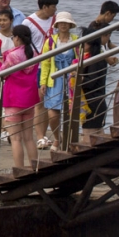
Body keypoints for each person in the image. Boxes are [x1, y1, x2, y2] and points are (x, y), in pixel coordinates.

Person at [0, 24, 39, 168]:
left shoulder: (12, 55)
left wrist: (0, 63)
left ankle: (19, 169)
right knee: (29, 138)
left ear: (16, 37)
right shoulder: (34, 53)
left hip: (13, 99)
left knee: (16, 139)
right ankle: (36, 168)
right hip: (29, 99)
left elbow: (2, 73)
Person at [39, 13, 78, 149]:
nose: (63, 25)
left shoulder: (77, 40)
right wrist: (43, 82)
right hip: (54, 81)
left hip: (71, 80)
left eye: (66, 22)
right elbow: (45, 64)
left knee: (71, 112)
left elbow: (81, 59)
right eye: (61, 22)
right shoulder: (50, 41)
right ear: (56, 25)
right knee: (53, 113)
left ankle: (71, 139)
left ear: (70, 25)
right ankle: (57, 138)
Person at [24, 0, 58, 143]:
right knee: (40, 101)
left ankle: (45, 135)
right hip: (37, 67)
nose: (55, 10)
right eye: (53, 7)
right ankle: (39, 137)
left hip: (54, 65)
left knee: (51, 101)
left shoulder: (57, 21)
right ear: (44, 7)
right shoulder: (28, 23)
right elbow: (23, 46)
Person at [81, 2, 119, 136]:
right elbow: (99, 47)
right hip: (95, 71)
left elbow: (108, 44)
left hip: (95, 89)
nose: (112, 19)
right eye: (113, 16)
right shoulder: (94, 28)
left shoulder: (106, 30)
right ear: (107, 13)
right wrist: (107, 57)